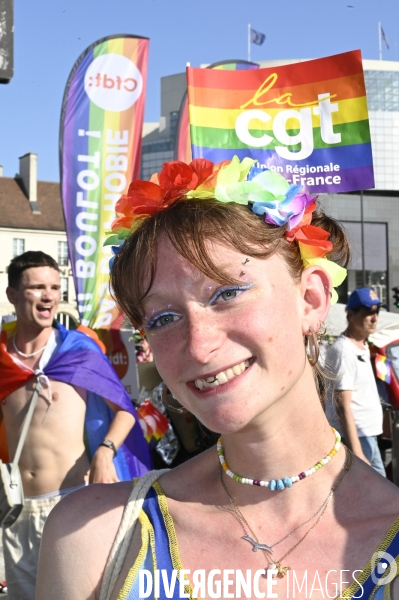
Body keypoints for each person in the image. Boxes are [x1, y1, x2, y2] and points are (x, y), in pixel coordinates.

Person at [36, 159, 399, 600]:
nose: (197, 346)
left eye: (227, 292)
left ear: (311, 298)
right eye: (164, 317)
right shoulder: (92, 537)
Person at [0, 251, 151, 600]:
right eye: (37, 287)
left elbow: (125, 410)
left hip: (72, 502)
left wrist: (105, 451)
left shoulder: (77, 350)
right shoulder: (3, 360)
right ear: (12, 294)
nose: (49, 295)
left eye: (54, 287)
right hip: (18, 510)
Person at [325, 287, 386, 476]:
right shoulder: (343, 350)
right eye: (368, 312)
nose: (374, 318)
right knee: (378, 498)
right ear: (351, 315)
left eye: (376, 312)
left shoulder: (362, 346)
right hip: (357, 437)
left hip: (367, 435)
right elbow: (343, 406)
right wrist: (357, 452)